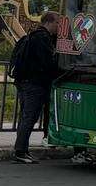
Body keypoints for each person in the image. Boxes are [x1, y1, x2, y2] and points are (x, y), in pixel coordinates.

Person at [12, 11, 60, 164]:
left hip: (24, 81)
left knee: (25, 116)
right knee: (30, 117)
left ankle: (21, 150)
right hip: (35, 83)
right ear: (49, 22)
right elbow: (45, 62)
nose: (58, 27)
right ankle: (20, 151)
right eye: (57, 23)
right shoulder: (42, 38)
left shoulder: (32, 36)